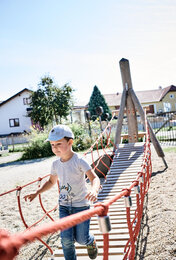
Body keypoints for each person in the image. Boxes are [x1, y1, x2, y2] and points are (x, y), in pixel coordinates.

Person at [24, 124, 100, 260]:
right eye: (52, 144)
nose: (55, 148)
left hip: (81, 206)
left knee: (82, 239)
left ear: (70, 142)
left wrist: (94, 190)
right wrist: (37, 192)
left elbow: (94, 178)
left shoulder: (79, 161)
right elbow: (51, 182)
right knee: (66, 241)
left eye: (59, 143)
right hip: (64, 207)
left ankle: (91, 242)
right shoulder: (55, 164)